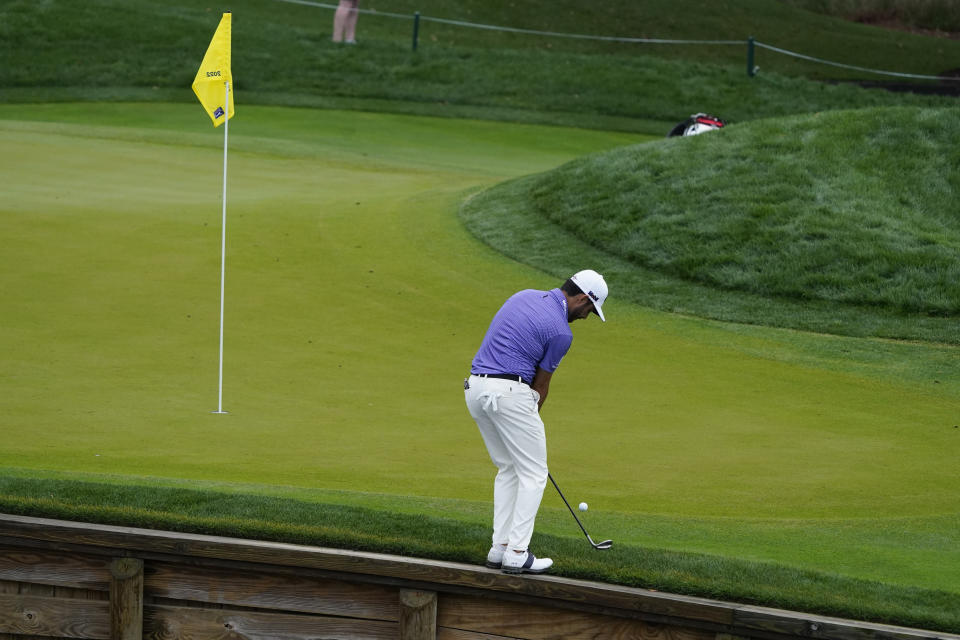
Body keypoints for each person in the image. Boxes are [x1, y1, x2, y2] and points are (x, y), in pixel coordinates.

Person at [464, 269, 608, 575]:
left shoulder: (522, 295)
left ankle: (499, 548)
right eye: (589, 310)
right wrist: (528, 423)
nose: (587, 317)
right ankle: (517, 552)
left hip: (475, 388)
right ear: (582, 298)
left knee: (509, 467)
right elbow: (540, 387)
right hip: (509, 392)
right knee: (534, 472)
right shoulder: (561, 333)